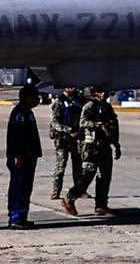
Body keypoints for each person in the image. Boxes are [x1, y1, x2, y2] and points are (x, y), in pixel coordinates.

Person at [63, 84, 121, 217]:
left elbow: (113, 126)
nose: (104, 94)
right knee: (87, 176)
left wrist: (116, 145)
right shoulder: (90, 106)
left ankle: (101, 205)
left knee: (104, 177)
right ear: (95, 93)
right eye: (101, 92)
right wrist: (97, 124)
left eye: (105, 91)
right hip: (91, 147)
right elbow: (83, 122)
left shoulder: (107, 107)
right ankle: (69, 199)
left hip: (105, 147)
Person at [6, 83, 42, 228]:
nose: (38, 100)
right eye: (35, 97)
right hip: (22, 157)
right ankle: (16, 218)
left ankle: (20, 216)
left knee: (25, 187)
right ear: (27, 97)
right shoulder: (20, 113)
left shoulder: (27, 111)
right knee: (20, 187)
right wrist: (18, 155)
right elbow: (17, 137)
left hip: (28, 155)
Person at [48, 83, 83, 201]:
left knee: (78, 166)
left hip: (76, 139)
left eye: (74, 86)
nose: (72, 88)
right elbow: (55, 122)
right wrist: (68, 130)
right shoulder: (59, 102)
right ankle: (56, 191)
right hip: (62, 139)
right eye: (69, 86)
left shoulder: (80, 101)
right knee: (60, 166)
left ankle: (80, 190)